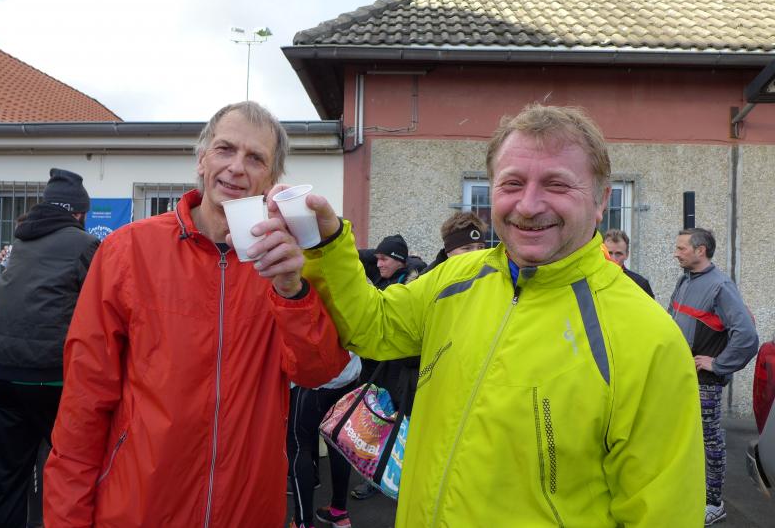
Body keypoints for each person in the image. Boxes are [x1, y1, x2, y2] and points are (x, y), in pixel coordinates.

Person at [274, 103, 705, 526]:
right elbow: (371, 327)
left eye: (557, 184)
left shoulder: (650, 339)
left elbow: (663, 513)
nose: (529, 205)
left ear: (600, 200)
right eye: (512, 183)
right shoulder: (455, 279)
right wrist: (326, 243)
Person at [43, 102, 350, 527]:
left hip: (247, 510)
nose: (236, 167)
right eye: (225, 149)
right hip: (139, 507)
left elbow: (319, 371)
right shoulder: (127, 251)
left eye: (255, 158)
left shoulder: (286, 262)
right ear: (202, 159)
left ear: (271, 179)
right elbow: (83, 405)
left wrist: (292, 291)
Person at [0, 169, 100, 528]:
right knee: (72, 469)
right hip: (51, 378)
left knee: (8, 476)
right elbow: (103, 306)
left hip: (5, 375)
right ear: (79, 212)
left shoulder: (21, 241)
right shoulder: (84, 244)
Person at [668, 227, 759, 525]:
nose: (676, 253)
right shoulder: (685, 280)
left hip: (705, 383)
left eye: (682, 248)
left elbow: (747, 336)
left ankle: (714, 503)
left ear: (700, 250)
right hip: (681, 377)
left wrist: (718, 364)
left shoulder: (720, 286)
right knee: (685, 440)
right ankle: (692, 494)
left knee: (709, 442)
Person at [350, 234, 423, 501]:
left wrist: (406, 260)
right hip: (375, 369)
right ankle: (375, 475)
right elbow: (359, 256)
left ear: (399, 261)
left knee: (399, 427)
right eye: (378, 259)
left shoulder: (415, 281)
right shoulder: (381, 275)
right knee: (377, 422)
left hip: (400, 372)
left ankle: (395, 478)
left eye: (385, 259)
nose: (378, 263)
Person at [287, 353, 361, 528]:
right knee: (339, 442)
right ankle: (338, 511)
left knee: (300, 446)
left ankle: (303, 522)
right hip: (347, 373)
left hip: (310, 378)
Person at [422, 211, 488, 274]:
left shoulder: (489, 272)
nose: (476, 253)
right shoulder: (429, 278)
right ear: (448, 252)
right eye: (467, 248)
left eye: (480, 247)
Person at [603, 228, 655, 298]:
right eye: (609, 253)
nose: (613, 259)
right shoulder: (591, 281)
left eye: (618, 254)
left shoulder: (640, 284)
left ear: (627, 255)